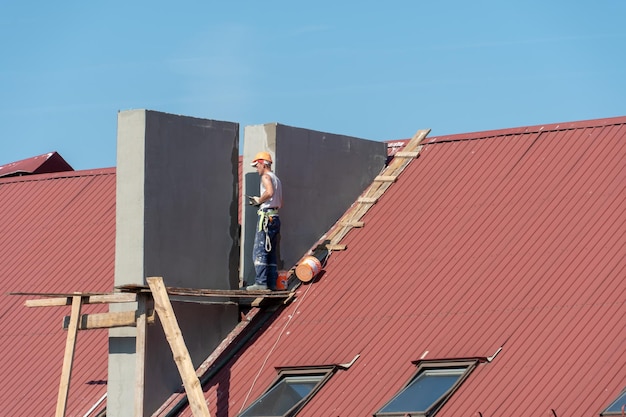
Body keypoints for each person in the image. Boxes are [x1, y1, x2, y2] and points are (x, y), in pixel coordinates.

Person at [246, 151, 283, 291]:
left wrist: (259, 200)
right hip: (275, 217)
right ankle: (271, 283)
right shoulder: (277, 179)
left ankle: (261, 283)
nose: (257, 169)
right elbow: (280, 201)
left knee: (260, 250)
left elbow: (269, 192)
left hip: (267, 216)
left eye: (257, 166)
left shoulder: (266, 177)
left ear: (262, 164)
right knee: (271, 251)